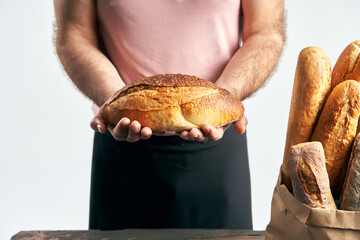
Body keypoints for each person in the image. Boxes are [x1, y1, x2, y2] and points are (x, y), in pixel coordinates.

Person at [53, 0, 284, 230]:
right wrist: (113, 100)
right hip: (121, 142)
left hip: (218, 143)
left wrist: (224, 99)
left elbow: (265, 32)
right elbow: (74, 33)